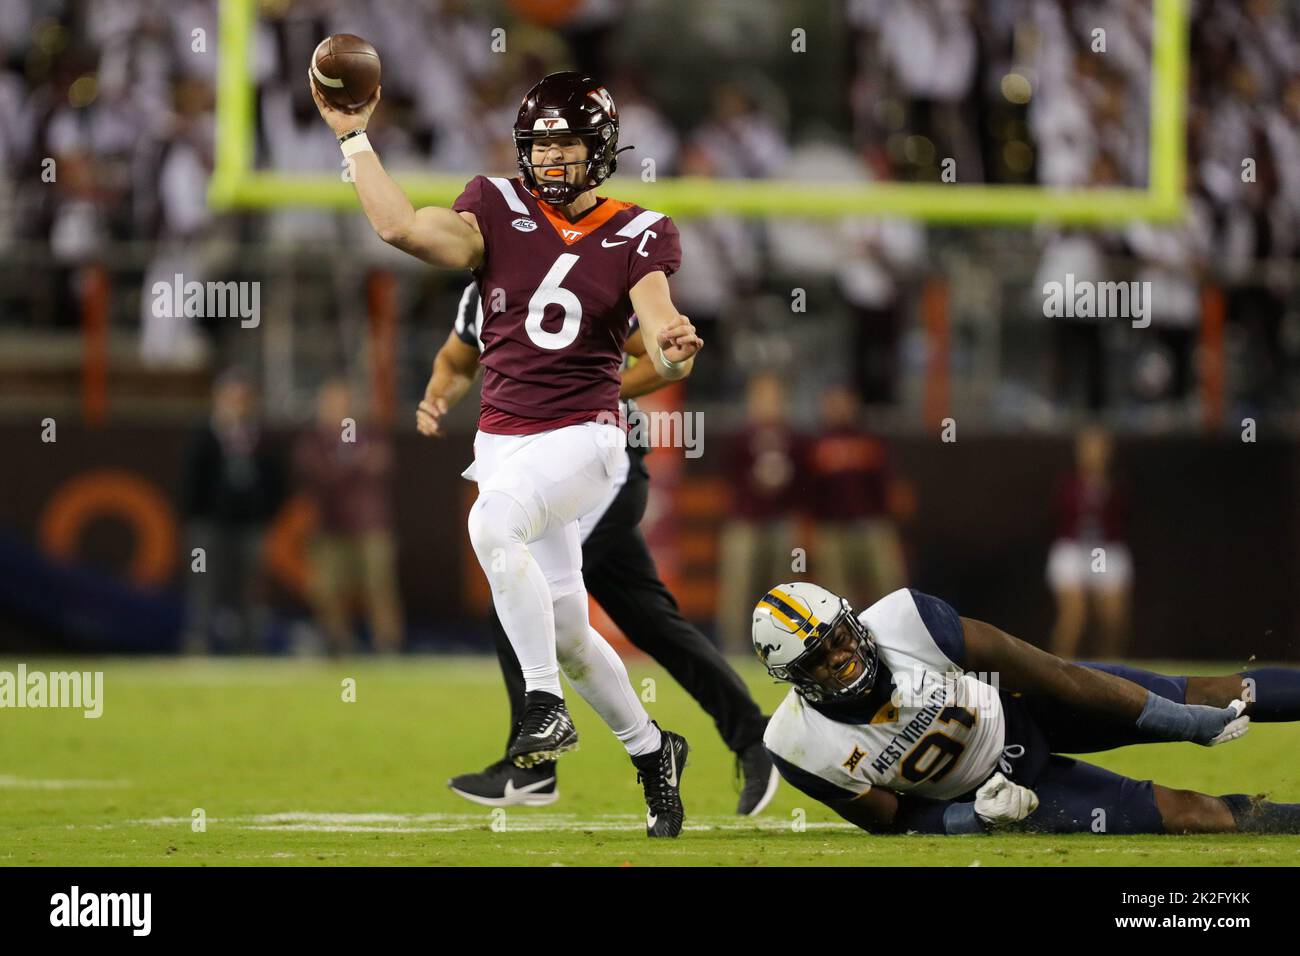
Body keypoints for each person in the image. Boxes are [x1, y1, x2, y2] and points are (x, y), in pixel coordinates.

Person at [311, 71, 702, 836]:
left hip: (586, 437)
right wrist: (353, 138)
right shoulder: (493, 204)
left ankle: (542, 708)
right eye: (542, 143)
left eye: (568, 142)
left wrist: (674, 345)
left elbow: (660, 321)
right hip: (503, 442)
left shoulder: (640, 229)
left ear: (602, 149)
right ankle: (655, 750)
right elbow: (401, 229)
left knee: (492, 527)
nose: (553, 158)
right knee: (569, 634)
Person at [436, 283, 777, 814]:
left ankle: (533, 768)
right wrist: (438, 393)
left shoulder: (576, 269)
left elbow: (660, 360)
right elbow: (456, 358)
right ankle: (754, 738)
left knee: (519, 597)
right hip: (550, 469)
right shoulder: (483, 287)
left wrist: (594, 390)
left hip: (599, 465)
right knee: (649, 620)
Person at [752, 582, 1300, 835]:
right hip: (999, 791)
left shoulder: (905, 621)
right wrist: (973, 818)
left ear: (854, 620)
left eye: (840, 638)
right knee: (1190, 814)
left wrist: (1176, 721)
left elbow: (1056, 675)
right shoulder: (798, 744)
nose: (842, 658)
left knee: (1206, 694)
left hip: (1026, 708)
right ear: (792, 678)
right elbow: (890, 819)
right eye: (819, 659)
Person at [293, 378, 403, 655]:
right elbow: (316, 473)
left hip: (369, 524)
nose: (338, 408)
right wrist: (354, 463)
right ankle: (337, 642)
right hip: (329, 524)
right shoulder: (315, 439)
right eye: (332, 402)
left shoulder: (369, 433)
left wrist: (345, 464)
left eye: (343, 402)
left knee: (379, 585)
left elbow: (382, 463)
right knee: (326, 589)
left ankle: (387, 643)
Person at [180, 369, 284, 653]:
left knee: (250, 585)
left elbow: (275, 479)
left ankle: (250, 645)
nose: (236, 404)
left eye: (241, 398)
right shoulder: (204, 433)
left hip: (249, 524)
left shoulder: (260, 436)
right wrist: (197, 516)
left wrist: (265, 512)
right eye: (231, 397)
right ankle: (198, 641)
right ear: (218, 398)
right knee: (204, 582)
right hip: (209, 524)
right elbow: (192, 479)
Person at [1047, 426, 1132, 659]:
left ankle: (1111, 675)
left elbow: (1126, 517)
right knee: (1074, 616)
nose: (1093, 454)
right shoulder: (1069, 485)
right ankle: (1058, 671)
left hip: (1106, 550)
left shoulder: (1117, 485)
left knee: (1112, 620)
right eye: (1088, 448)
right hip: (1072, 549)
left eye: (1099, 448)